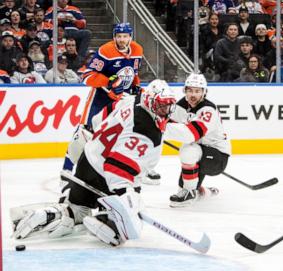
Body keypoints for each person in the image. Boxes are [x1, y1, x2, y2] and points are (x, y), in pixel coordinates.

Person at [12, 81, 177, 247]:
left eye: (168, 107)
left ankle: (47, 214)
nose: (165, 112)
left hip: (87, 162)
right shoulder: (146, 131)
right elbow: (117, 167)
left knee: (76, 212)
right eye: (161, 107)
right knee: (131, 216)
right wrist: (125, 196)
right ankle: (108, 221)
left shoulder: (130, 100)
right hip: (108, 179)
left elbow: (98, 119)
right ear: (150, 101)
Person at [61, 22, 143, 174]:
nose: (122, 40)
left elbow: (133, 73)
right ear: (114, 37)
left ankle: (126, 168)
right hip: (100, 98)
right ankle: (67, 167)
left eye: (125, 36)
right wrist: (109, 83)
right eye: (119, 36)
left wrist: (135, 87)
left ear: (130, 37)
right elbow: (87, 76)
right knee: (85, 132)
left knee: (123, 133)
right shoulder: (106, 51)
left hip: (121, 100)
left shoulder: (137, 50)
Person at [165, 73, 231, 207]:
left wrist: (161, 129)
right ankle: (204, 192)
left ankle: (190, 192)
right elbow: (167, 121)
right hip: (199, 152)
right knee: (182, 186)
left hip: (217, 157)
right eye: (189, 90)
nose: (193, 95)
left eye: (197, 91)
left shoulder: (208, 109)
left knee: (188, 150)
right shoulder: (182, 105)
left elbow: (191, 134)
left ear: (204, 92)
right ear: (185, 91)